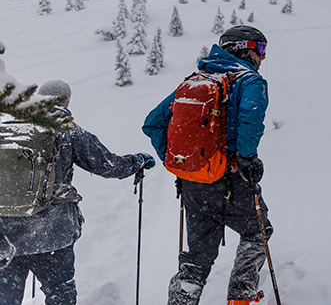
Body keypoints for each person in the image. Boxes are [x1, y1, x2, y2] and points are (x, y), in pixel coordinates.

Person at [142, 26, 271, 305]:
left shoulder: (194, 81)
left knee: (197, 257)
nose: (262, 57)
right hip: (234, 180)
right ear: (241, 48)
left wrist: (180, 163)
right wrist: (247, 159)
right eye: (259, 49)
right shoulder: (250, 82)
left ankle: (182, 300)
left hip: (194, 183)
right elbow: (250, 121)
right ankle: (240, 296)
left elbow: (153, 123)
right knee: (258, 232)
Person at [0, 79, 155, 305]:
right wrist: (136, 162)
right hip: (51, 234)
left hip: (6, 235)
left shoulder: (8, 127)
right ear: (66, 101)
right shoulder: (65, 128)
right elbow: (106, 164)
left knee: (5, 298)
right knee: (60, 293)